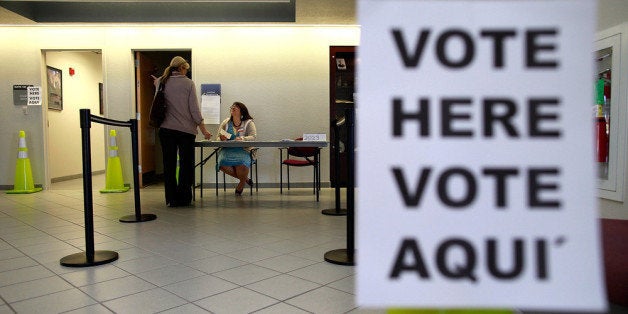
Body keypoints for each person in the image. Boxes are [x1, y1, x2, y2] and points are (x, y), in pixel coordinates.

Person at [156, 56, 212, 207]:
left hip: (166, 130)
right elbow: (194, 110)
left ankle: (171, 199)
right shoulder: (188, 83)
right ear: (181, 68)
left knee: (169, 165)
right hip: (185, 132)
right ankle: (184, 198)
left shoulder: (162, 81)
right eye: (186, 69)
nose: (187, 72)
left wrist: (156, 82)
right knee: (186, 165)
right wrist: (204, 130)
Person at [217, 101, 257, 195]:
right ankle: (245, 179)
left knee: (242, 164)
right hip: (227, 150)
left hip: (243, 150)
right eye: (232, 106)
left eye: (236, 107)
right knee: (222, 163)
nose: (233, 107)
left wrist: (242, 138)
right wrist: (222, 138)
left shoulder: (248, 123)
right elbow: (218, 137)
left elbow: (253, 137)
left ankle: (241, 184)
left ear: (242, 111)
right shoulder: (226, 123)